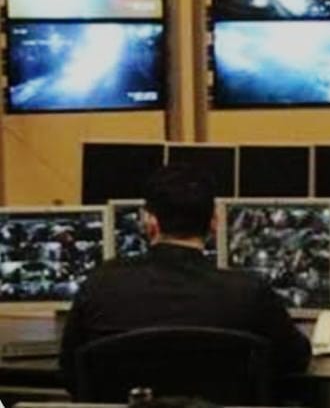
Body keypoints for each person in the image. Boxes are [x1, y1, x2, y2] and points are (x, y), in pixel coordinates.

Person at [59, 164, 312, 393]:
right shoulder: (248, 291)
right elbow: (295, 360)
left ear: (149, 222)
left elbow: (71, 371)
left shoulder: (99, 286)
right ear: (214, 223)